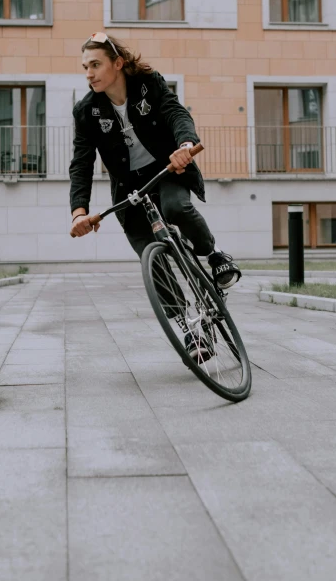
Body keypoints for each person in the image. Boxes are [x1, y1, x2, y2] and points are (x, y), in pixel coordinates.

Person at [69, 33, 241, 359]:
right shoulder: (86, 111)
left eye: (95, 65)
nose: (89, 73)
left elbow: (175, 112)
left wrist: (185, 146)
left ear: (117, 63)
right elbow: (81, 164)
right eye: (85, 67)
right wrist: (79, 212)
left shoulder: (148, 82)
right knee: (152, 258)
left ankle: (215, 254)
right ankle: (189, 328)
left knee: (176, 207)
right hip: (129, 190)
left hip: (167, 170)